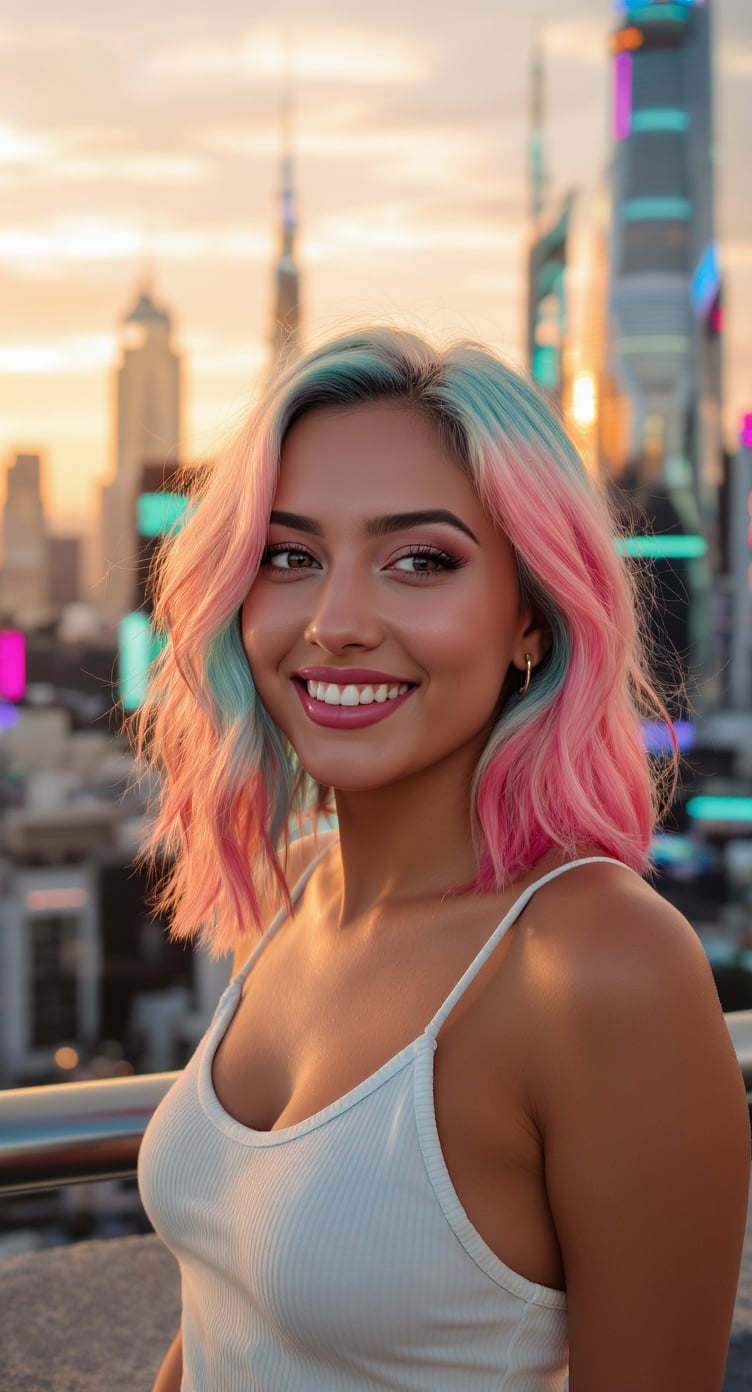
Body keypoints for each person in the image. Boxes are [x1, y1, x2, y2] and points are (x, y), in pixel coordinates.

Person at [135, 328, 750, 1392]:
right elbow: (222, 1328)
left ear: (529, 615)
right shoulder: (301, 890)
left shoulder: (601, 965)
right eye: (290, 556)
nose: (333, 623)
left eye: (419, 560)